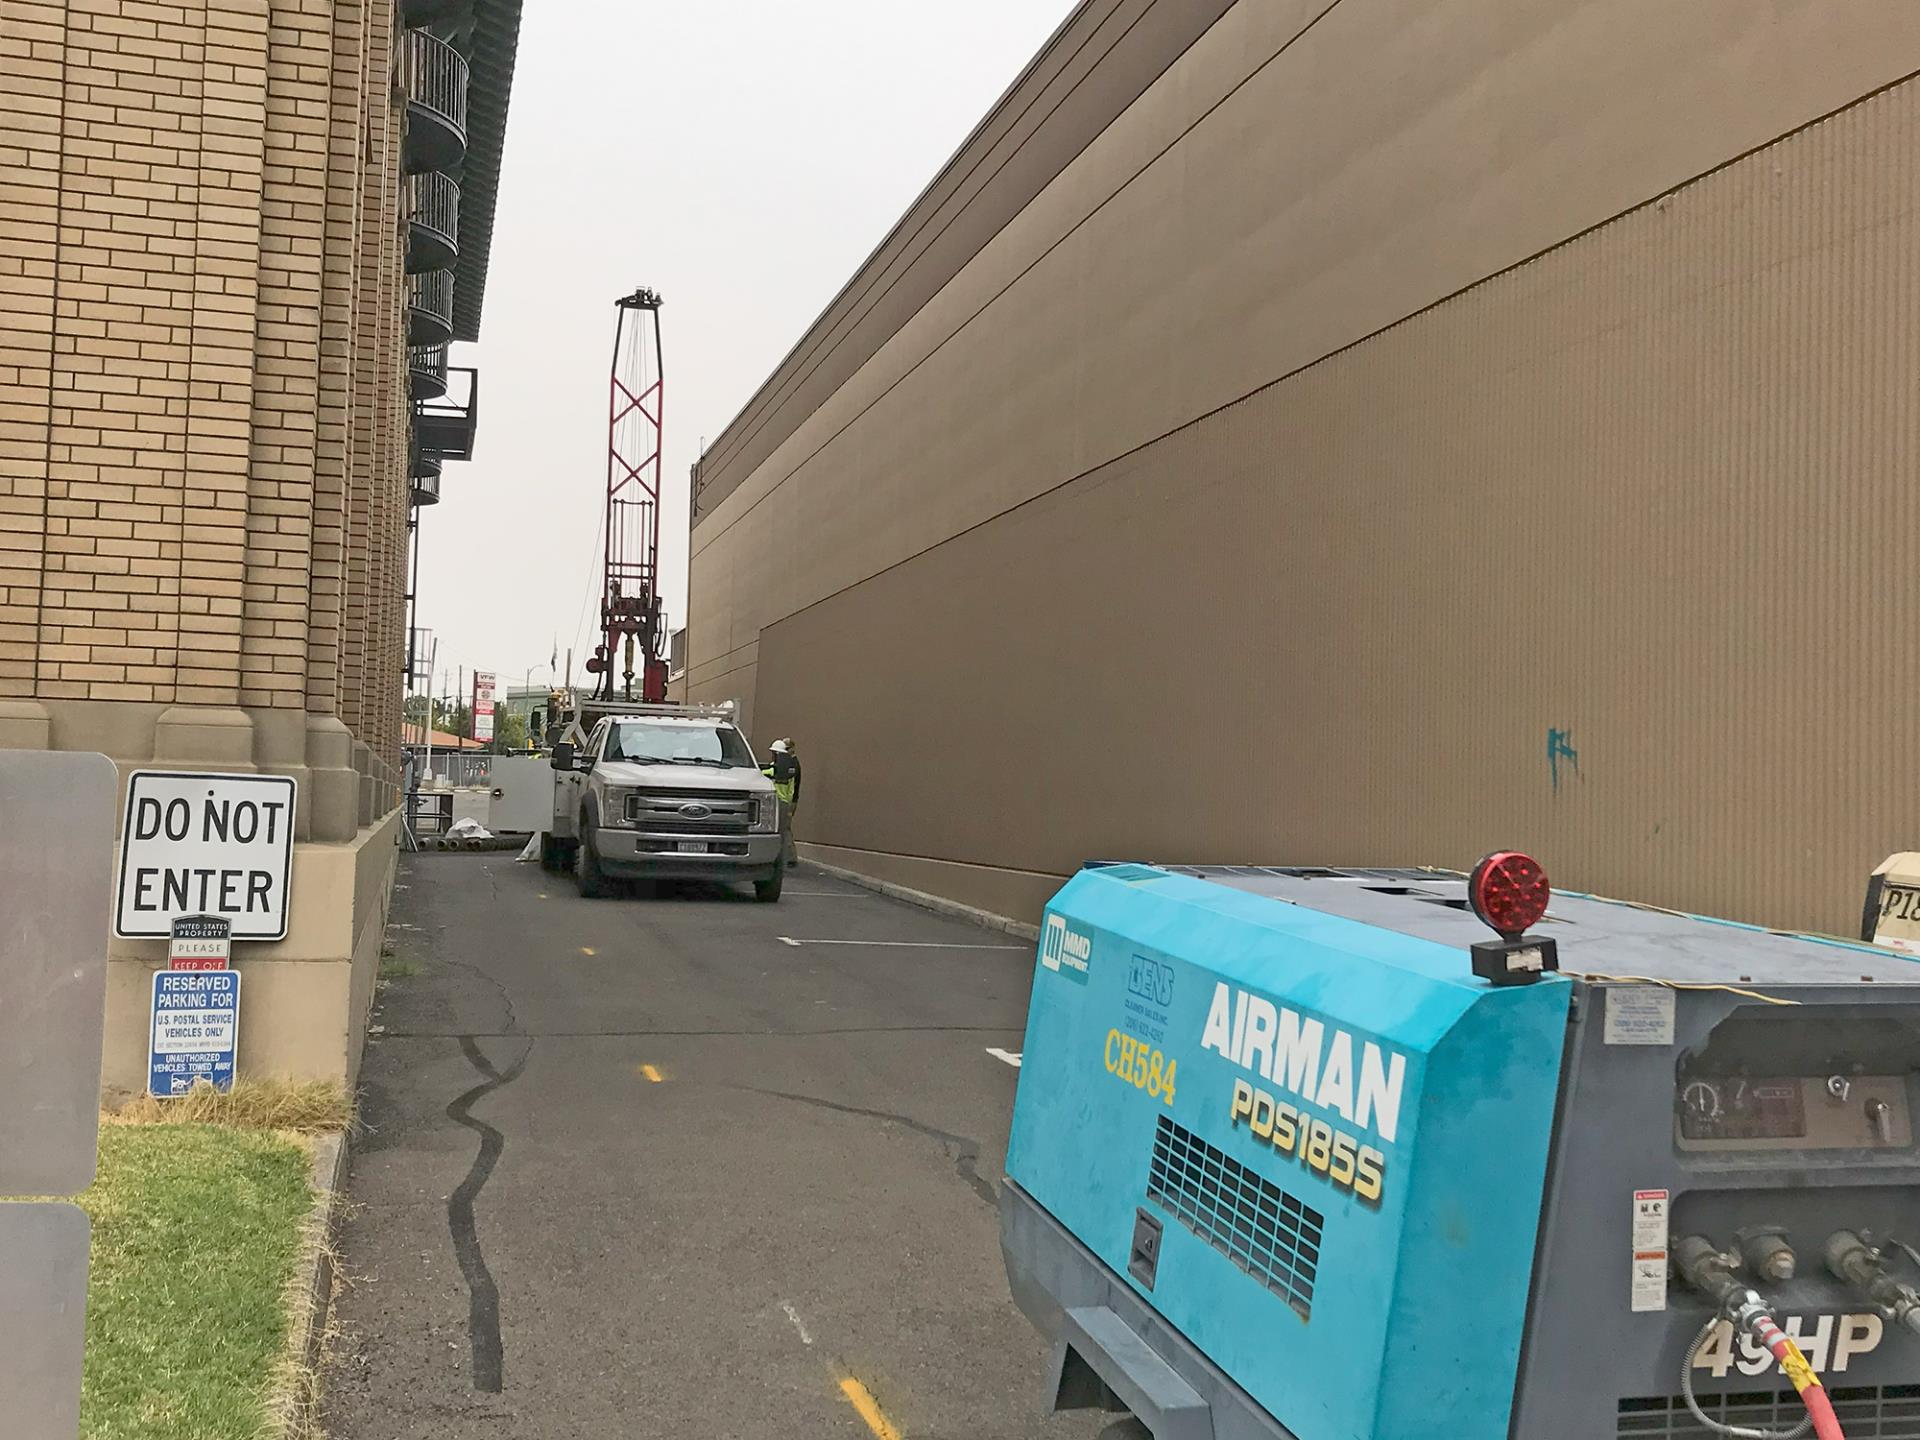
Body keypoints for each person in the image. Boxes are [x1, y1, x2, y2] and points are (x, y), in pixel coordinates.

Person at [763, 738, 802, 868]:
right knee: (784, 829)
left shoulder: (783, 767)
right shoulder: (790, 765)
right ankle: (788, 858)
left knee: (783, 830)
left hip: (782, 801)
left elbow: (768, 773)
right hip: (786, 800)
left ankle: (787, 858)